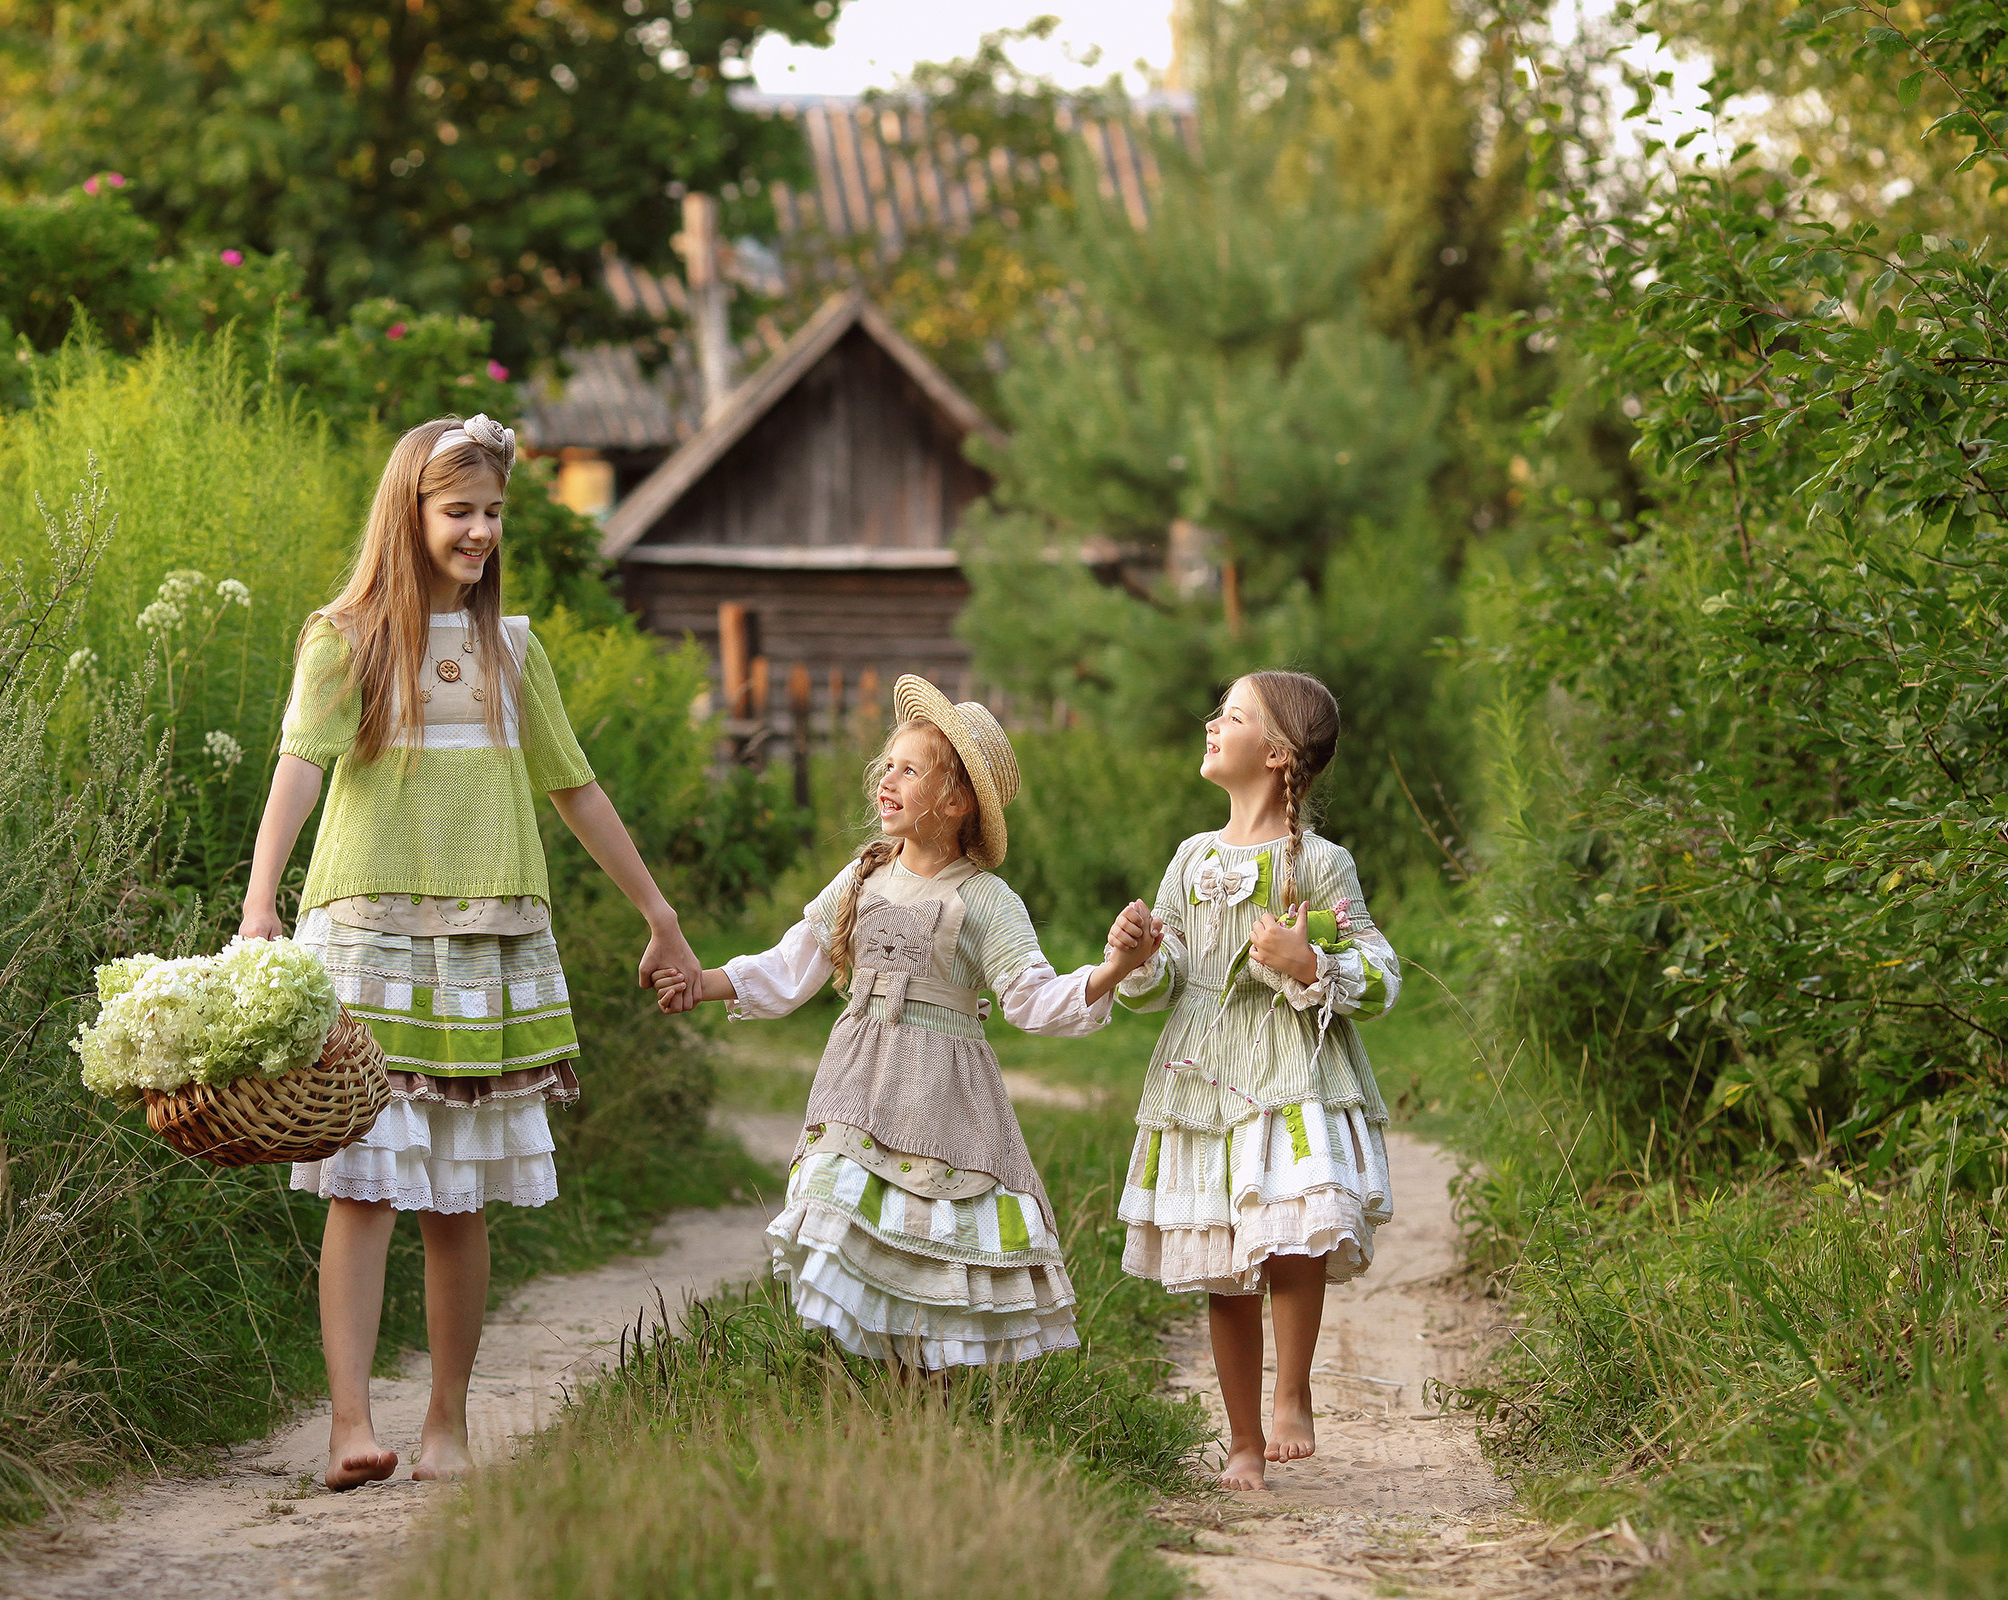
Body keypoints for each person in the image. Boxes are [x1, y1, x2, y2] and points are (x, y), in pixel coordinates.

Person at [238, 414, 697, 1489]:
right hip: (368, 937)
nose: (481, 530)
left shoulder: (512, 651)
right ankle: (351, 1425)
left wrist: (660, 914)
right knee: (364, 1185)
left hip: (487, 943)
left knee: (459, 1200)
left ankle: (446, 1424)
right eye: (459, 511)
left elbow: (574, 788)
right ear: (409, 513)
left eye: (493, 512)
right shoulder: (346, 639)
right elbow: (299, 768)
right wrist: (261, 903)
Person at [656, 676, 1138, 1371]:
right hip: (856, 1090)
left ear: (956, 801)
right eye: (888, 765)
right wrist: (702, 984)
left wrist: (1113, 969)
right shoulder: (863, 877)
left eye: (910, 770)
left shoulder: (986, 901)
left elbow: (1031, 999)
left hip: (944, 1101)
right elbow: (792, 963)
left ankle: (926, 1391)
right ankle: (878, 1383)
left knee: (932, 1239)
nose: (886, 780)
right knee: (837, 1201)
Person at [1102, 670, 1400, 1489]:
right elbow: (1165, 980)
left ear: (1274, 754)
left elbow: (1382, 974)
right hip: (1206, 1078)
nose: (1210, 724)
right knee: (1225, 1257)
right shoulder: (1191, 857)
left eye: (1229, 715)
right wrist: (1137, 955)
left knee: (1294, 1230)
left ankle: (1292, 1395)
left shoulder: (1323, 864)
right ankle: (1242, 1440)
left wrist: (1308, 962)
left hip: (1292, 1071)